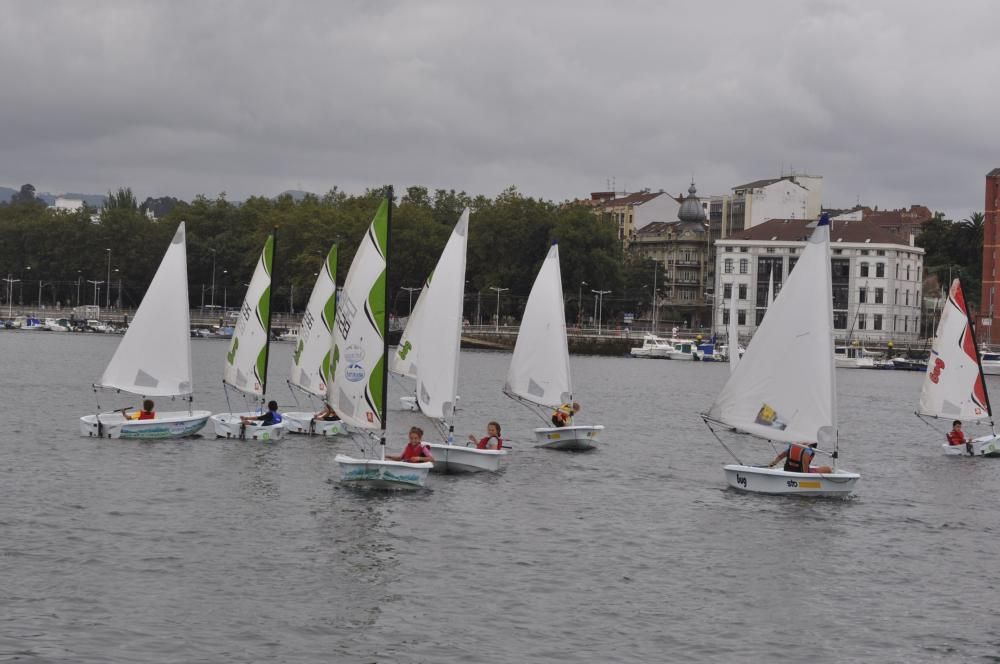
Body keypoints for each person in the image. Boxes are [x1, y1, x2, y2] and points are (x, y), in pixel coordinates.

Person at [767, 442, 833, 474]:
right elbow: (805, 460)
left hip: (788, 470)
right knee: (828, 469)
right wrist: (806, 476)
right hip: (800, 472)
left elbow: (781, 456)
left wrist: (773, 463)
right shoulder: (808, 449)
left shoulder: (794, 446)